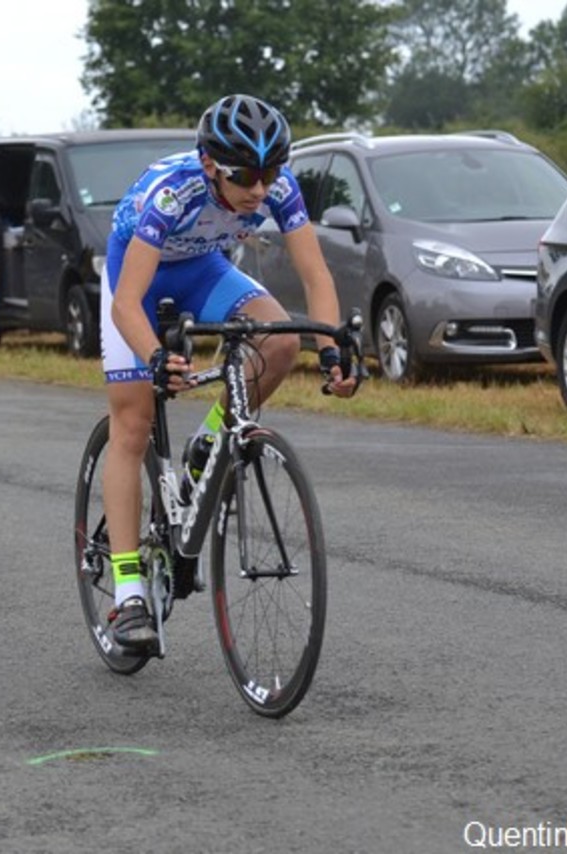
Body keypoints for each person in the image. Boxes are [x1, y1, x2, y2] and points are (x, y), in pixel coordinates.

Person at [100, 94, 358, 650]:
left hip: (201, 270)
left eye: (271, 173)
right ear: (211, 165)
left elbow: (316, 276)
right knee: (133, 423)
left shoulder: (278, 189)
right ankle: (128, 592)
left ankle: (211, 440)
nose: (260, 190)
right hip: (135, 279)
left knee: (279, 340)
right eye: (245, 176)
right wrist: (155, 357)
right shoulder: (173, 193)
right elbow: (126, 304)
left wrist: (331, 350)